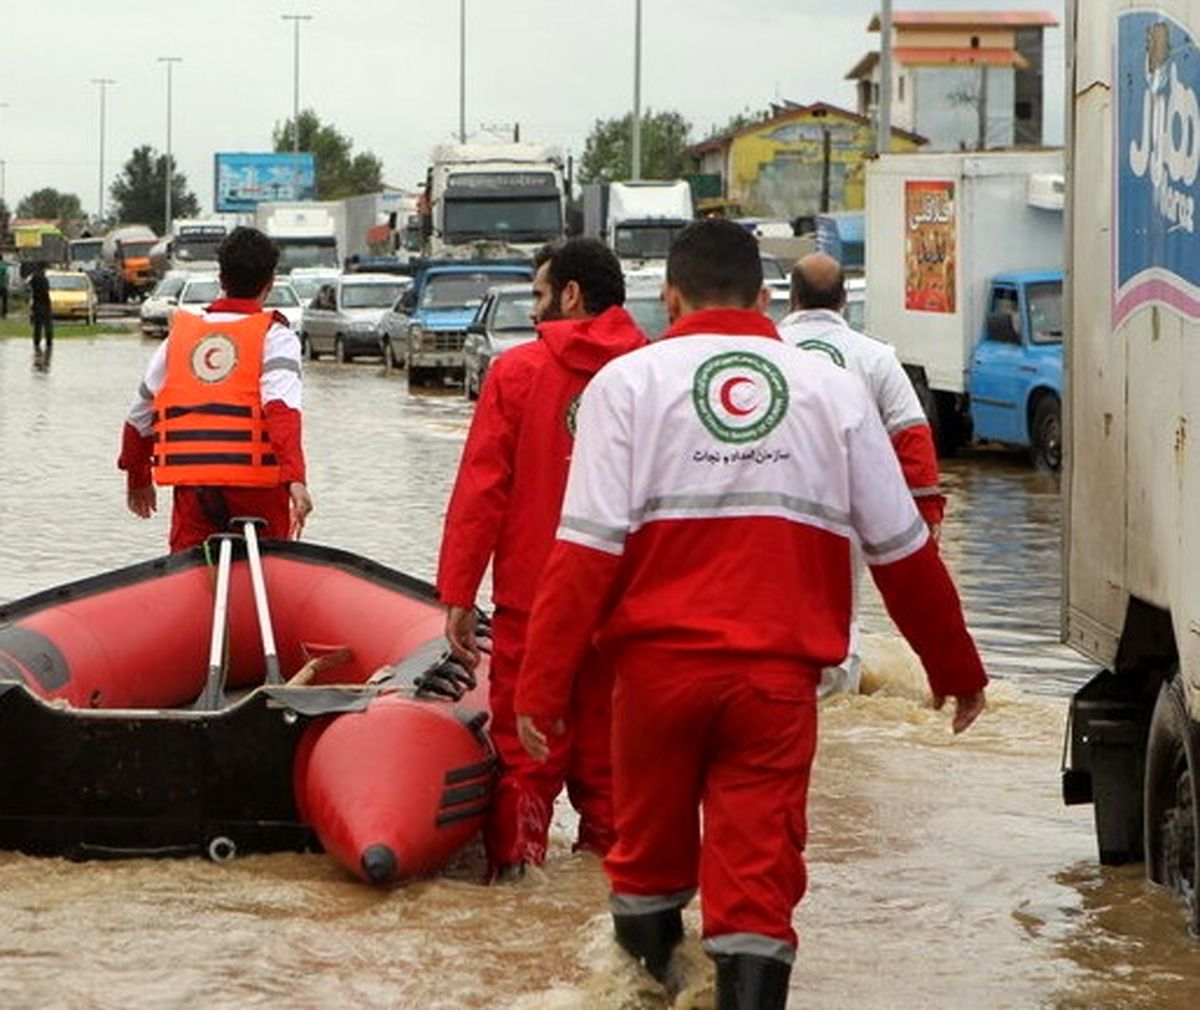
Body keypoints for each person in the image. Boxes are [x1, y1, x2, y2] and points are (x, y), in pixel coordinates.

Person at [513, 220, 987, 1009]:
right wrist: (957, 670)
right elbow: (901, 549)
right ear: (764, 299)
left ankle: (645, 989)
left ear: (668, 296)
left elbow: (585, 553)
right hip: (775, 687)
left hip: (654, 683)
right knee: (757, 884)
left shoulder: (625, 385)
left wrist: (542, 688)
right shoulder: (833, 388)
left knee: (646, 864)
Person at [436, 237, 648, 881]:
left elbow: (482, 491)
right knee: (615, 778)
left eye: (538, 294)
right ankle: (604, 908)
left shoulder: (517, 373)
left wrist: (458, 595)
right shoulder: (654, 373)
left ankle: (516, 894)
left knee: (525, 766)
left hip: (534, 605)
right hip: (629, 609)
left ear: (571, 295)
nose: (533, 311)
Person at [778, 252, 945, 696]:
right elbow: (913, 437)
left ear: (791, 297)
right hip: (845, 510)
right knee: (839, 612)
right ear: (844, 300)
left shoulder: (764, 350)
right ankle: (837, 699)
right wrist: (926, 517)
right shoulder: (875, 357)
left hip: (766, 501)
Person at [118, 226, 313, 552]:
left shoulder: (179, 337)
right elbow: (282, 410)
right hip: (258, 491)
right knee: (266, 580)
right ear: (271, 282)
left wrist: (138, 476)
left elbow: (140, 414)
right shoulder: (276, 337)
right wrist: (296, 478)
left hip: (195, 490)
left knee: (189, 579)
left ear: (221, 279)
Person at [29, 262, 52, 354]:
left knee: (37, 325)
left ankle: (36, 341)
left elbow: (31, 288)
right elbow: (46, 292)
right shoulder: (44, 279)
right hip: (44, 303)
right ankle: (48, 341)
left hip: (36, 303)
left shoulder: (33, 278)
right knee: (47, 324)